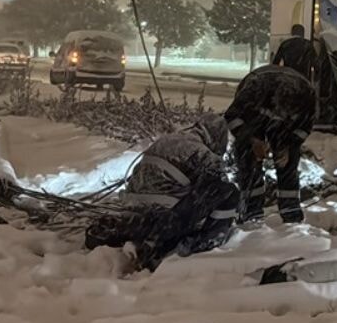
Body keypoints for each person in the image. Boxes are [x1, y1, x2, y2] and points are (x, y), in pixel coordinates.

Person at [85, 113, 240, 271]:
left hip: (134, 209)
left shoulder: (168, 139)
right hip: (163, 216)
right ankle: (203, 242)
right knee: (228, 191)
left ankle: (123, 231)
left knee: (147, 221)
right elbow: (214, 188)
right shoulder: (204, 153)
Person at [224, 65, 316, 224]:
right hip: (253, 119)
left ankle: (291, 214)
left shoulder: (307, 98)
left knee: (288, 162)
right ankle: (251, 212)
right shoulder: (253, 90)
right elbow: (232, 117)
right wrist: (251, 139)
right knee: (249, 160)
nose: (277, 117)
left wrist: (288, 146)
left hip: (284, 124)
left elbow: (304, 128)